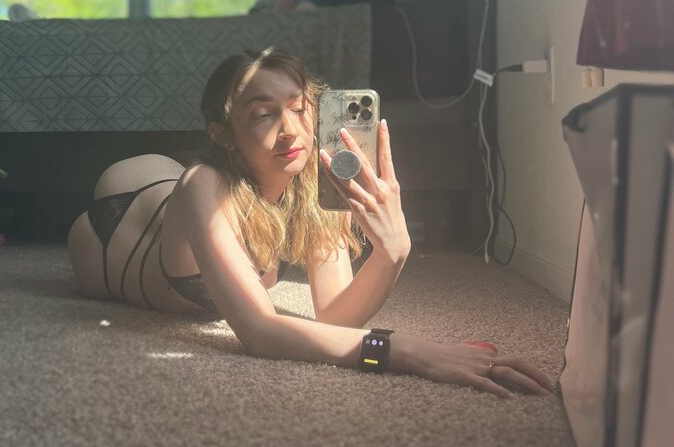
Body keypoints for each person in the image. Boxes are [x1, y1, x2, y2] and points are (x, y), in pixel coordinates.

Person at [67, 46, 556, 400]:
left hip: (173, 195)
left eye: (300, 109)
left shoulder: (316, 184)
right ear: (225, 133)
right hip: (118, 225)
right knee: (184, 180)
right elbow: (261, 332)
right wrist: (409, 351)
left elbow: (335, 318)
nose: (291, 130)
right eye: (263, 114)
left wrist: (393, 252)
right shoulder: (203, 184)